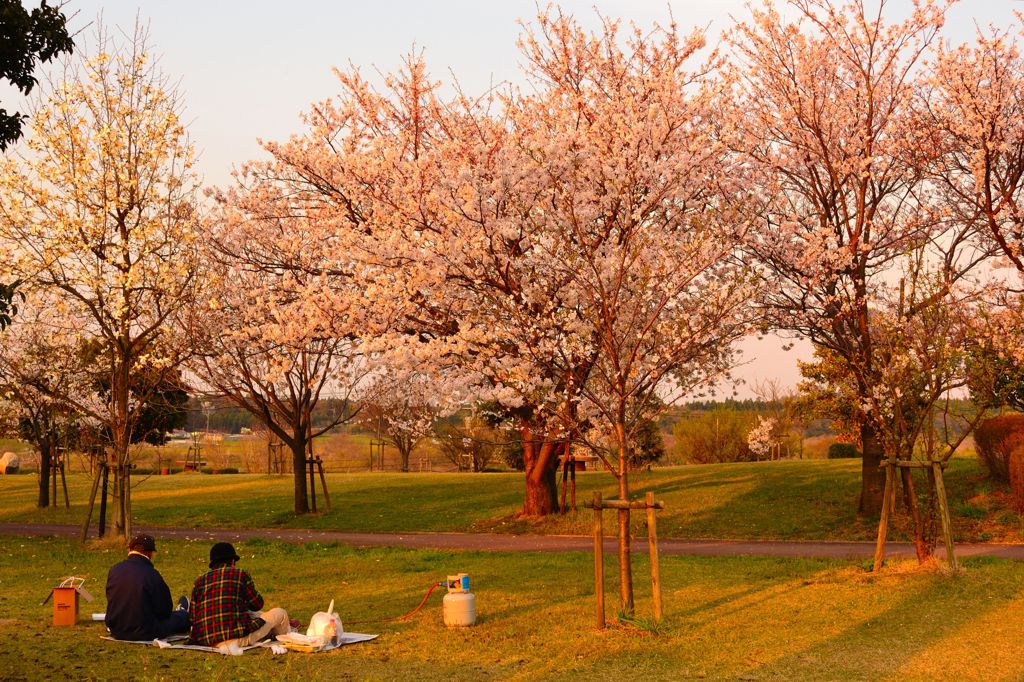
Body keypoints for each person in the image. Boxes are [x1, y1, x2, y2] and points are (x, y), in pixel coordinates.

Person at [188, 541, 291, 649]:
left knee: (254, 614)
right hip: (234, 639)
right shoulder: (240, 574)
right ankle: (286, 635)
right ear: (232, 561)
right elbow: (257, 604)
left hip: (206, 640)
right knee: (280, 613)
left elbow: (192, 617)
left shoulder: (199, 581)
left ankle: (273, 632)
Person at [105, 534, 190, 640]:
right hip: (145, 631)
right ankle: (183, 612)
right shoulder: (152, 574)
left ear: (130, 549)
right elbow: (164, 610)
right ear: (149, 553)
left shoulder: (114, 570)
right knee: (181, 618)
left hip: (117, 630)